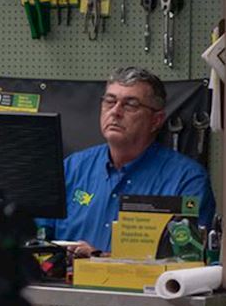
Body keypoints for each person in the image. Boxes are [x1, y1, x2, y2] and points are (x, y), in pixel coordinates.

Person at [54, 66, 217, 256]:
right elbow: (38, 240)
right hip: (64, 285)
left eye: (130, 105)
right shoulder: (72, 168)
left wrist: (100, 259)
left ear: (156, 120)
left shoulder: (187, 179)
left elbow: (187, 260)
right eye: (110, 101)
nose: (115, 112)